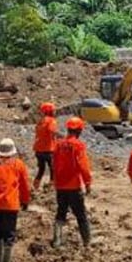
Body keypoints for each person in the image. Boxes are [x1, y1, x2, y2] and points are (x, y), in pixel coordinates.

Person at [52, 117, 93, 248]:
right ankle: (87, 241)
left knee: (61, 213)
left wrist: (55, 181)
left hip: (60, 186)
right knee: (81, 215)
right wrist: (87, 183)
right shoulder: (78, 145)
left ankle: (57, 240)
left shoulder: (58, 145)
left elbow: (54, 165)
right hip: (74, 186)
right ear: (79, 130)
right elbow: (83, 166)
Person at [31, 102, 58, 191]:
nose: (55, 111)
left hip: (38, 149)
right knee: (53, 169)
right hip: (48, 149)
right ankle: (51, 186)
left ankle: (35, 186)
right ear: (50, 111)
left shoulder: (40, 121)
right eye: (53, 110)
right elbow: (52, 131)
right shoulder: (51, 121)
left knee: (41, 169)